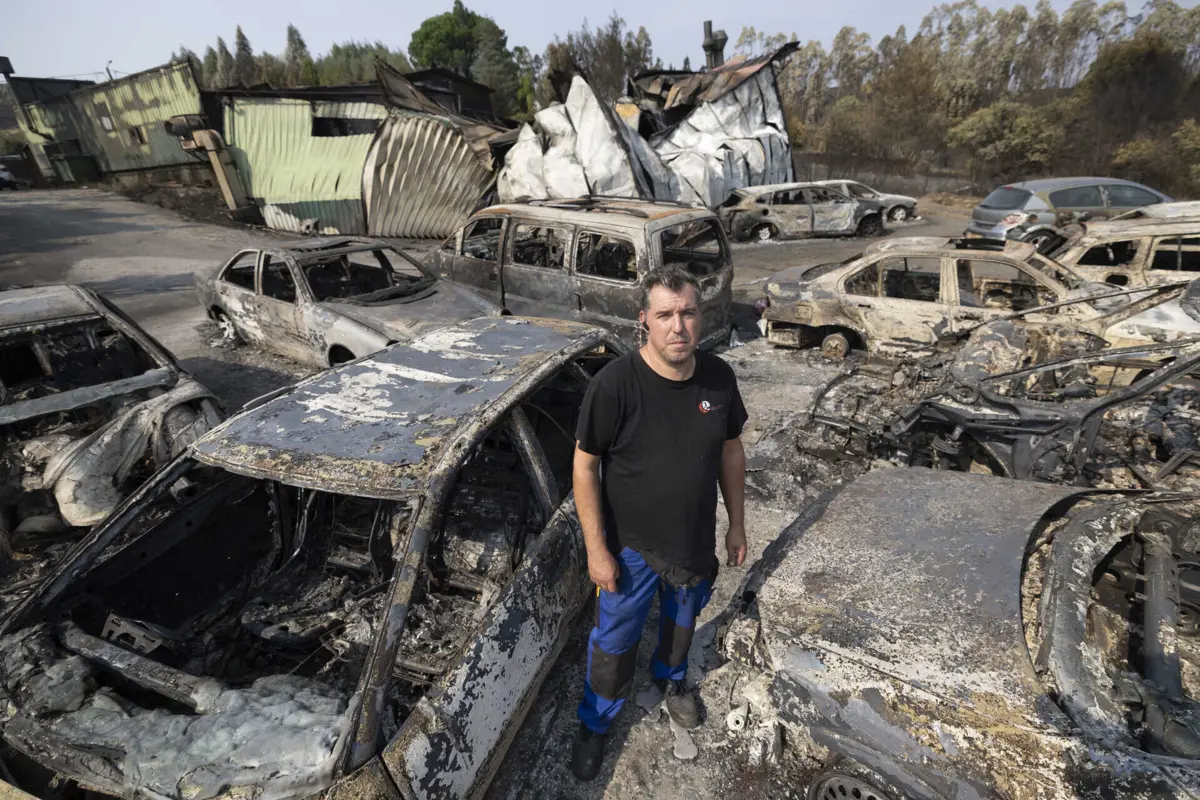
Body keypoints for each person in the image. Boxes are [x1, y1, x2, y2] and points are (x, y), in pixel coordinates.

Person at [569, 265, 747, 782]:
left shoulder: (719, 377)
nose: (678, 326)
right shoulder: (615, 385)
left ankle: (670, 679)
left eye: (687, 313)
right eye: (665, 315)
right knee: (613, 642)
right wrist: (596, 550)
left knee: (681, 624)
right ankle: (595, 723)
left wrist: (736, 523)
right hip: (630, 549)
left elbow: (730, 451)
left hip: (692, 540)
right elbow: (584, 465)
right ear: (643, 320)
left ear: (701, 316)